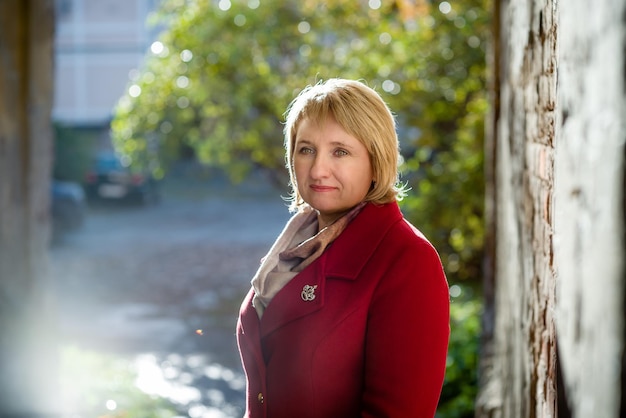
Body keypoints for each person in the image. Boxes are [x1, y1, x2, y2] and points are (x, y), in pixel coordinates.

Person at [236, 78, 450, 418]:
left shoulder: (408, 260)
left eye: (340, 151)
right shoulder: (295, 244)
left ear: (375, 160)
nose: (318, 169)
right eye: (306, 149)